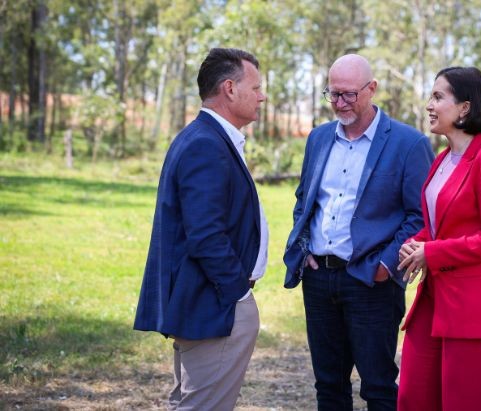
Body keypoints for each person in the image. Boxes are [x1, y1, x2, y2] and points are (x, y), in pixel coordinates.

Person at [282, 54, 434, 410]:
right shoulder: (318, 139)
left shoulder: (408, 144)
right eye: (333, 94)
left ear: (372, 89)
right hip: (319, 279)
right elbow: (305, 200)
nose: (340, 103)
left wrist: (385, 265)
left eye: (349, 95)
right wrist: (303, 250)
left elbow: (419, 217)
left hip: (371, 282)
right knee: (329, 386)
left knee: (379, 387)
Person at [133, 48, 268, 410]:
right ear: (229, 88)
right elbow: (205, 235)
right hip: (215, 307)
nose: (262, 95)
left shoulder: (206, 138)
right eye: (255, 87)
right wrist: (236, 292)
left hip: (209, 303)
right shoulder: (207, 144)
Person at [396, 66, 481, 411]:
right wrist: (417, 244)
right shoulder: (441, 160)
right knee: (412, 399)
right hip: (433, 302)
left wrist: (432, 253)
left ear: (464, 108)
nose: (429, 105)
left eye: (438, 97)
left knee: (465, 403)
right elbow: (439, 226)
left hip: (473, 309)